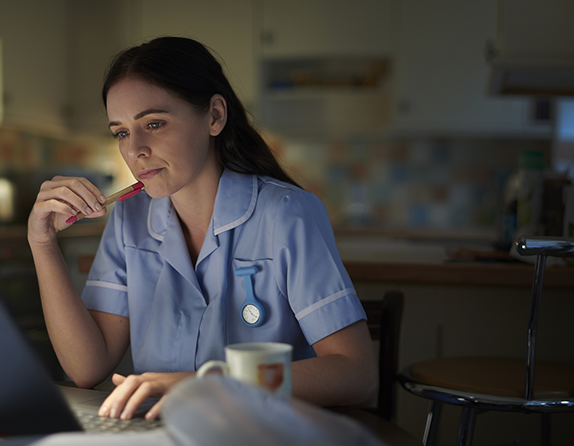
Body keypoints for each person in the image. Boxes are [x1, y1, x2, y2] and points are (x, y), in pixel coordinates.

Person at [27, 37, 377, 421]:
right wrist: (42, 243)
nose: (135, 150)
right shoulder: (129, 219)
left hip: (266, 445)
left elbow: (356, 373)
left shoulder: (287, 213)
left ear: (214, 116)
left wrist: (210, 384)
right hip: (164, 444)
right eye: (122, 132)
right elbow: (86, 369)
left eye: (154, 124)